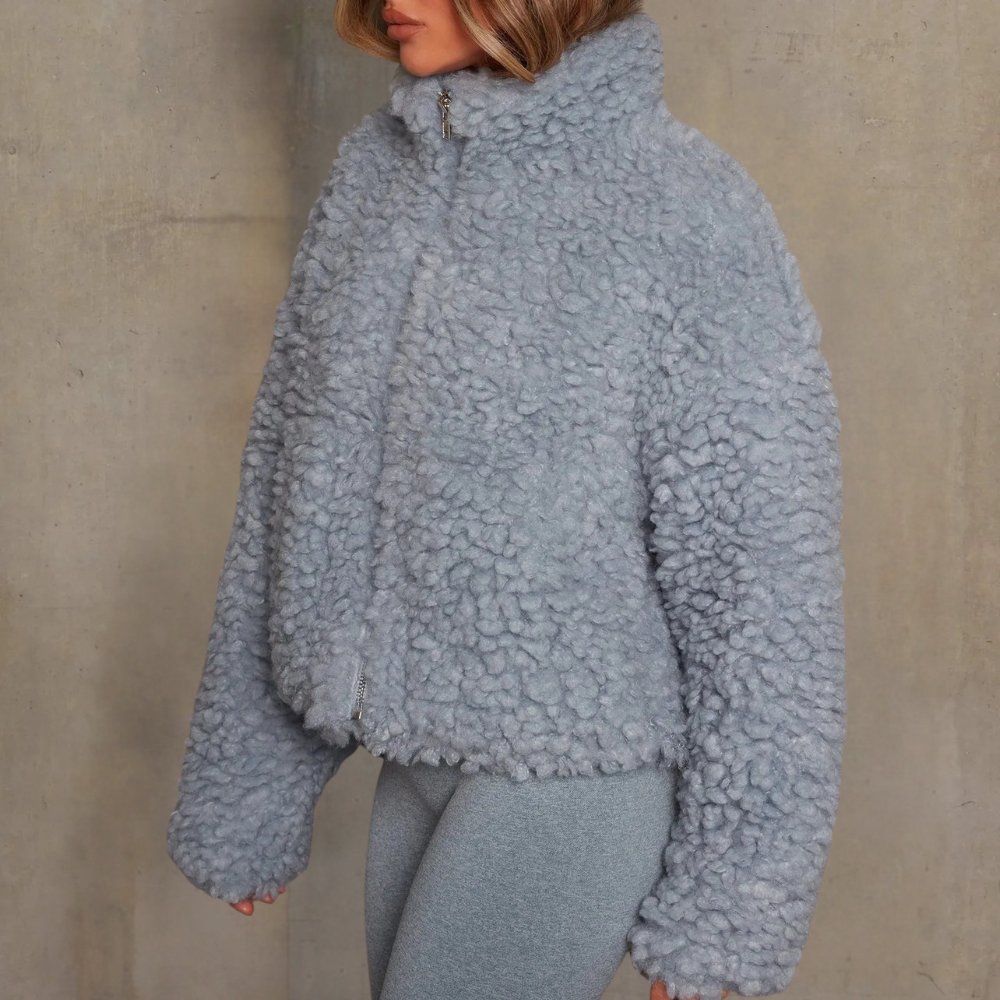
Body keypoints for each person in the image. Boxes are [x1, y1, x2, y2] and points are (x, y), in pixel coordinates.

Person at [165, 1, 847, 998]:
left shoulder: (685, 207)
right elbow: (292, 490)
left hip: (577, 777)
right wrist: (249, 786)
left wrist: (732, 905)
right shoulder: (374, 178)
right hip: (415, 763)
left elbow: (762, 579)